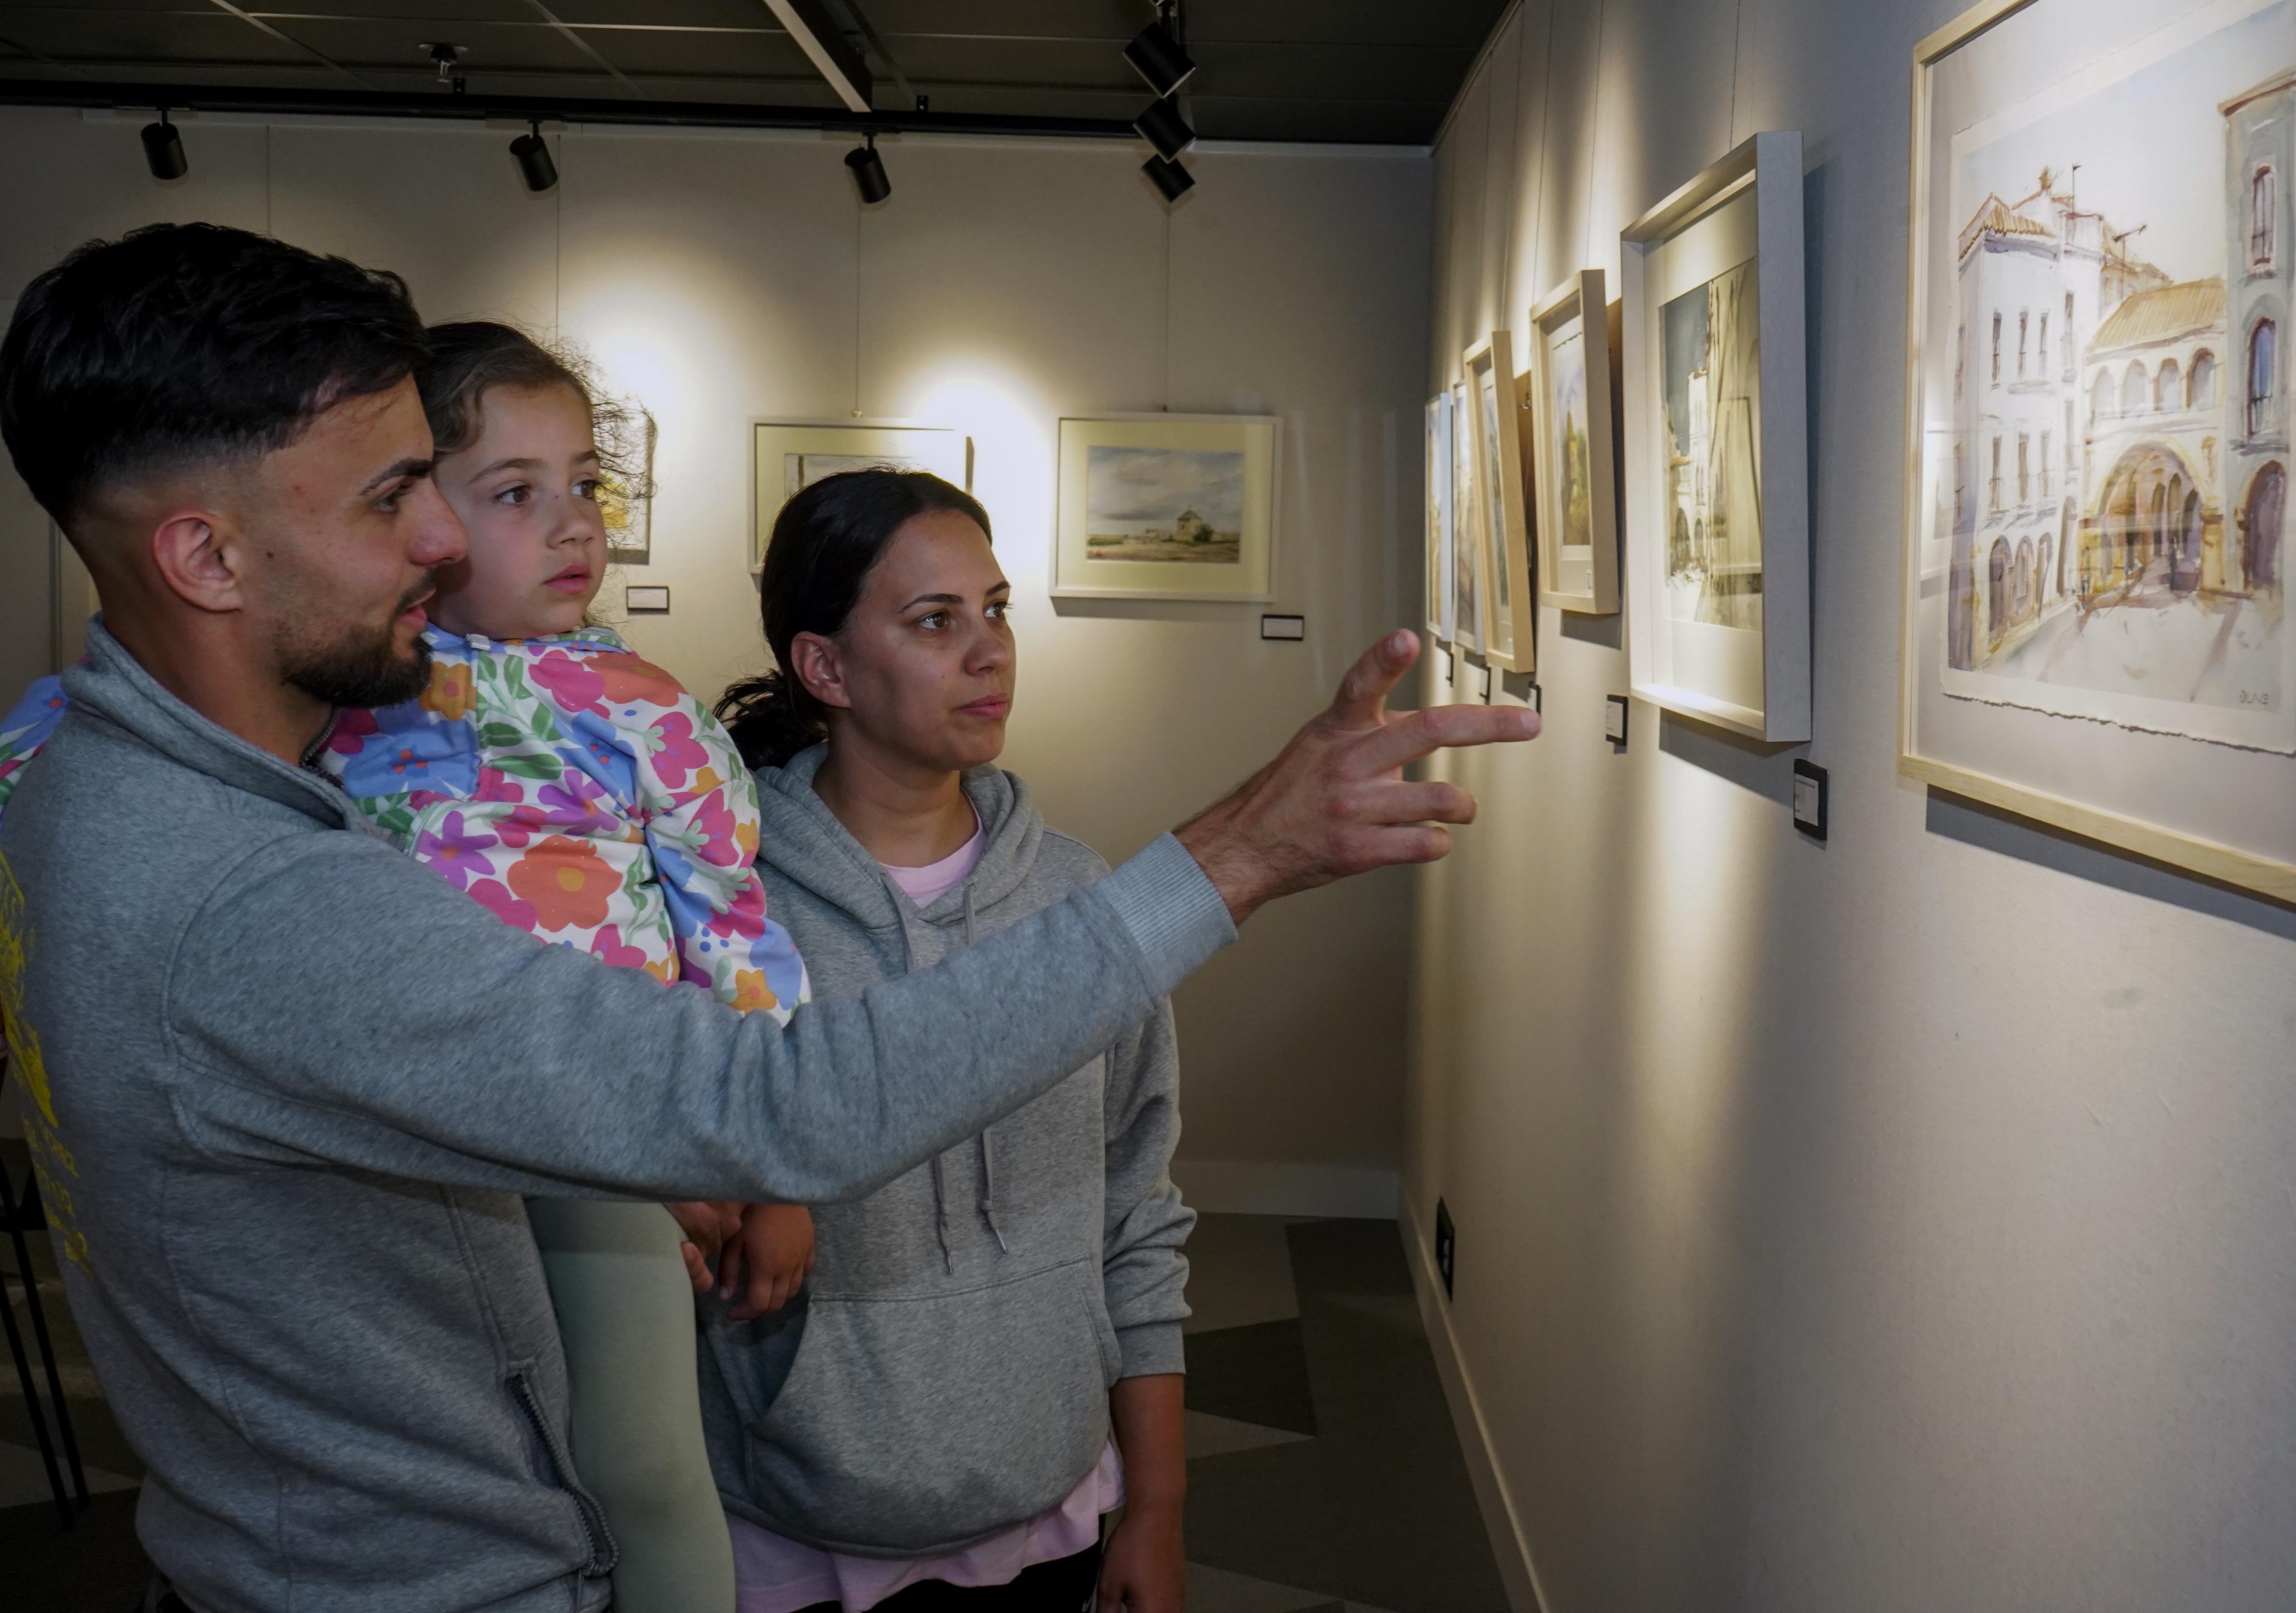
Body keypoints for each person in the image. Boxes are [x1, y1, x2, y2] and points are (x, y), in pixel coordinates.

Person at [0, 223, 1536, 1613]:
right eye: (399, 495)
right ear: (201, 554)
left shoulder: (84, 784)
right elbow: (770, 1107)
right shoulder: (253, 904)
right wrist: (1241, 851)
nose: (441, 542)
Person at [699, 469, 1187, 1613]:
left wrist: (1157, 1510)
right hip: (790, 1530)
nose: (990, 651)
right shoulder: (725, 912)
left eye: (998, 609)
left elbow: (1139, 1207)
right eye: (935, 621)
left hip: (1047, 1510)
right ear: (825, 667)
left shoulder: (1077, 902)